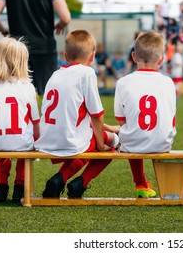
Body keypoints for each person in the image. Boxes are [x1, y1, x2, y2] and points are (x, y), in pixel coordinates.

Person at [34, 30, 119, 198]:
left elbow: (77, 114)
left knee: (98, 137)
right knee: (112, 146)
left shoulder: (55, 74)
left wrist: (108, 128)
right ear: (93, 56)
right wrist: (102, 143)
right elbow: (96, 114)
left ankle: (59, 180)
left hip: (46, 139)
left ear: (65, 56)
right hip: (69, 141)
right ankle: (80, 183)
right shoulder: (86, 73)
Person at [0, 37, 40, 203]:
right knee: (24, 145)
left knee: (3, 145)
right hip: (19, 142)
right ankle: (19, 188)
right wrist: (37, 144)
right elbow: (35, 123)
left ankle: (1, 187)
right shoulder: (27, 86)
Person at [114, 31, 176, 198]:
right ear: (161, 59)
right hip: (163, 144)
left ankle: (140, 183)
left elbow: (121, 121)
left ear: (134, 57)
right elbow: (171, 118)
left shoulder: (123, 82)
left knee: (128, 133)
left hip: (131, 145)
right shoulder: (168, 82)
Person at [0, 0, 71, 96]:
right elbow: (65, 18)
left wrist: (5, 31)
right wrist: (60, 26)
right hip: (45, 47)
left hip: (17, 50)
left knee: (17, 91)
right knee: (48, 92)